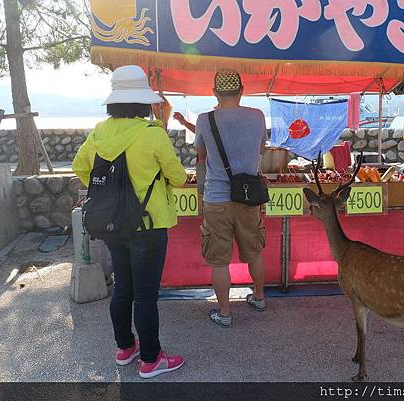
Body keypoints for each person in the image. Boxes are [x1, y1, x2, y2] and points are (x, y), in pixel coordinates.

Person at [72, 65, 187, 377]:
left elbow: (80, 167)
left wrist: (111, 195)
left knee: (123, 288)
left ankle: (125, 347)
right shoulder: (152, 134)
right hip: (148, 225)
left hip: (113, 225)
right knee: (146, 296)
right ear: (142, 101)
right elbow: (177, 177)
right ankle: (151, 359)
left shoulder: (99, 132)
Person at [194, 69, 267, 328]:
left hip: (216, 198)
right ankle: (259, 298)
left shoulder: (204, 119)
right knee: (254, 252)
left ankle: (225, 313)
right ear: (242, 90)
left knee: (220, 260)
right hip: (249, 197)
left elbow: (201, 154)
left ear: (215, 92)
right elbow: (261, 148)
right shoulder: (257, 117)